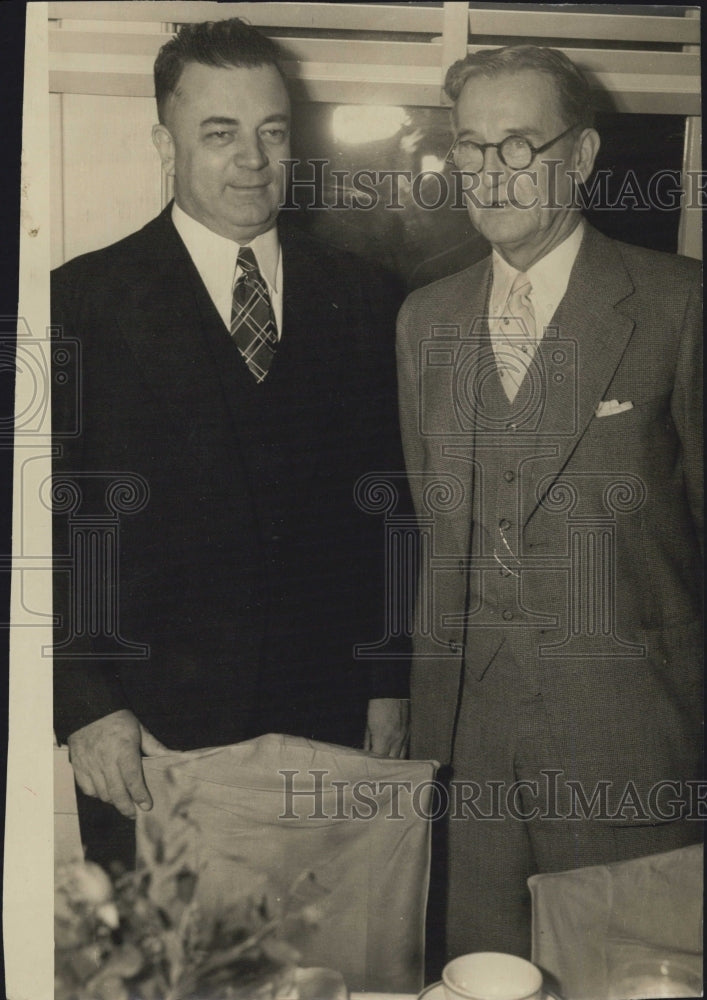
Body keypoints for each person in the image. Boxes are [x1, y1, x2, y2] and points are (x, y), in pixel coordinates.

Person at [52, 18, 411, 867]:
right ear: (163, 142)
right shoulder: (79, 301)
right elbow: (41, 527)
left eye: (272, 131)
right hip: (149, 739)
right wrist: (84, 702)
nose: (252, 158)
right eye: (219, 132)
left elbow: (392, 506)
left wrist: (390, 678)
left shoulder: (364, 298)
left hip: (328, 724)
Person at [396, 45, 702, 961]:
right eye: (471, 147)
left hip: (628, 746)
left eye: (518, 145)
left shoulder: (677, 304)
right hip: (466, 753)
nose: (489, 172)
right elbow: (434, 525)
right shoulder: (424, 318)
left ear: (582, 156)